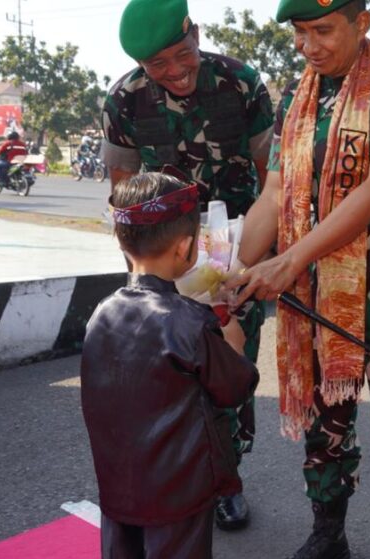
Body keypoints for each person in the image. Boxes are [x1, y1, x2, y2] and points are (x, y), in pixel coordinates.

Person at [227, 0, 370, 559]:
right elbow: (274, 197)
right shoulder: (299, 97)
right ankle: (329, 535)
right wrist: (228, 273)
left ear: (362, 21)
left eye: (322, 30)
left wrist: (289, 260)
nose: (309, 45)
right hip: (315, 289)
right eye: (301, 32)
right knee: (325, 420)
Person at [101, 0, 275, 529]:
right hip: (166, 256)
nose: (176, 71)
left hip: (238, 252)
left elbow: (274, 178)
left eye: (183, 54)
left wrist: (260, 259)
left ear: (196, 34)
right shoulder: (124, 100)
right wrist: (140, 267)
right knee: (169, 375)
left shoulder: (241, 84)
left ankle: (226, 482)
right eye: (159, 65)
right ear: (141, 67)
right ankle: (178, 479)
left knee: (228, 372)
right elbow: (123, 191)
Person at [81, 172, 259, 559]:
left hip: (118, 484)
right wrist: (232, 334)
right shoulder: (190, 324)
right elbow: (236, 386)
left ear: (124, 244)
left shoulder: (100, 313)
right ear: (185, 248)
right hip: (178, 492)